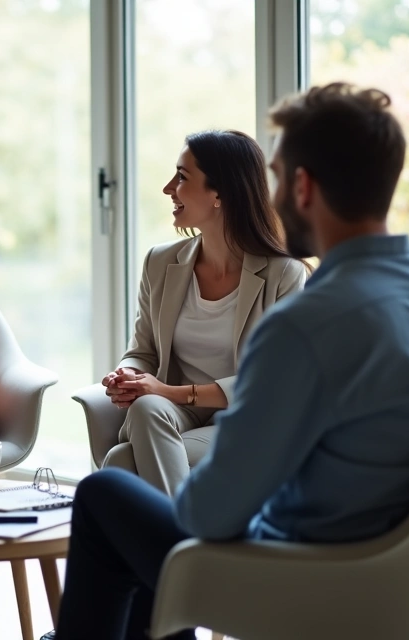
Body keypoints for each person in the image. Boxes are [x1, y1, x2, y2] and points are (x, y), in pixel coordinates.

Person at [47, 83, 409, 640]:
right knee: (132, 505)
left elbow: (209, 517)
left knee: (105, 494)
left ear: (303, 187)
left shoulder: (305, 328)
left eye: (279, 175)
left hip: (313, 582)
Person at [100, 130, 307, 494]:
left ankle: (174, 539)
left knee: (120, 461)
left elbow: (270, 381)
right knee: (146, 408)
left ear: (219, 194)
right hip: (175, 415)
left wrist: (167, 391)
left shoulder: (282, 274)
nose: (168, 188)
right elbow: (143, 349)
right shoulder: (160, 262)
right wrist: (129, 375)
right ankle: (184, 541)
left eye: (182, 177)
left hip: (247, 420)